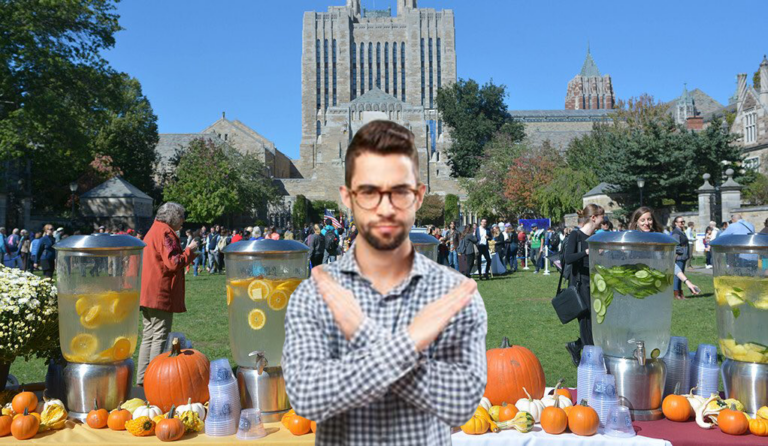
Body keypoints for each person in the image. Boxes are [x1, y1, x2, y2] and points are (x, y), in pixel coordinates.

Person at [283, 120, 487, 444]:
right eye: (369, 191)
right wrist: (410, 343)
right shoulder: (314, 294)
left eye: (399, 191)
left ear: (419, 196)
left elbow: (460, 403)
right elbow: (308, 397)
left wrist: (361, 333)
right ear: (347, 197)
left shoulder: (455, 293)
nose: (385, 207)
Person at [137, 202, 198, 386]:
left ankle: (142, 379)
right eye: (181, 216)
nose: (183, 220)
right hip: (159, 293)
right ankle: (154, 380)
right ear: (172, 217)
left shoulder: (154, 229)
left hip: (147, 292)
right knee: (160, 336)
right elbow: (173, 262)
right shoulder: (165, 232)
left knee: (148, 336)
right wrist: (190, 250)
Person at [563, 204, 605, 366]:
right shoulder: (576, 235)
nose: (604, 220)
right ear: (593, 217)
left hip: (594, 285)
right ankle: (591, 360)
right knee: (586, 321)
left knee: (594, 321)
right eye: (602, 217)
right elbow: (568, 258)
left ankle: (577, 346)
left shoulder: (595, 238)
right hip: (580, 286)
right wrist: (586, 252)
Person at [629, 207, 701, 299]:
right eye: (642, 220)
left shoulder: (659, 240)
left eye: (649, 219)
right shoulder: (630, 240)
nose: (646, 223)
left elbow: (670, 263)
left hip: (656, 286)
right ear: (637, 222)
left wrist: (687, 282)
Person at [670, 216, 690, 300]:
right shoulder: (676, 232)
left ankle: (680, 293)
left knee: (681, 275)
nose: (682, 223)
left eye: (683, 222)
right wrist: (682, 251)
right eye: (680, 222)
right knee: (677, 275)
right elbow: (675, 245)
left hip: (683, 256)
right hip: (679, 257)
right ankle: (676, 293)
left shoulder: (681, 231)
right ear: (676, 223)